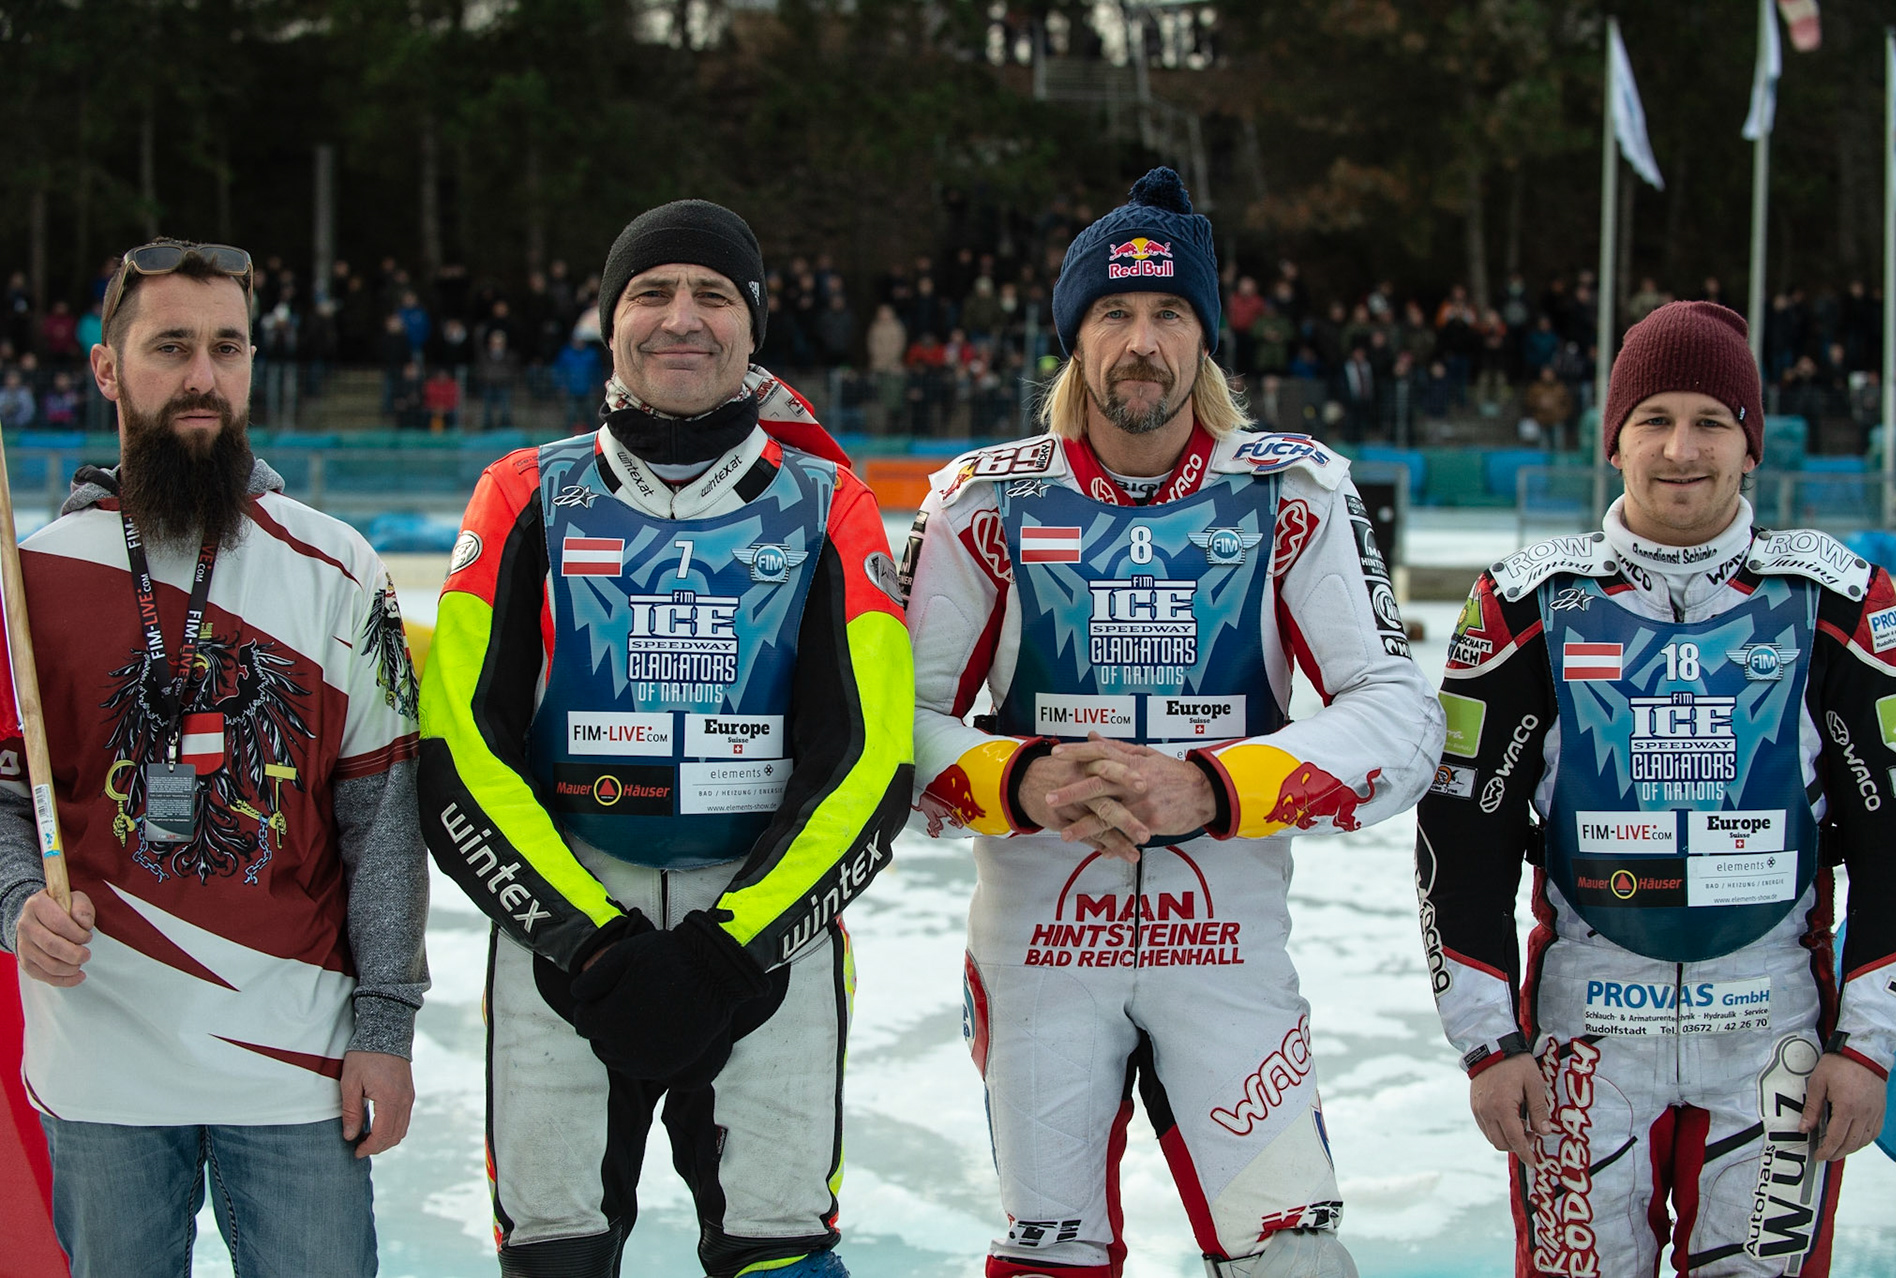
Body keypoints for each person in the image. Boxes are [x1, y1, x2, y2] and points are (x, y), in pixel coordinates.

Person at [901, 168, 1443, 1278]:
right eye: (1113, 314)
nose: (1140, 342)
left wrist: (1214, 786)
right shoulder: (981, 500)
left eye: (1167, 314)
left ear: (1204, 340)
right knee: (1048, 1258)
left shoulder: (1294, 492)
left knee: (1297, 1259)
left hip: (1229, 944)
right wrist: (1025, 779)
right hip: (1039, 942)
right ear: (1073, 339)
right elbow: (882, 726)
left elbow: (1402, 719)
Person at [418, 200, 914, 1278]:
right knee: (555, 1251)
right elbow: (459, 750)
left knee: (779, 1248)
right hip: (563, 933)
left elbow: (871, 763)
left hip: (763, 934)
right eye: (651, 292)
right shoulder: (524, 494)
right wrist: (587, 943)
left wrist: (734, 952)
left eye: (713, 295)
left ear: (754, 328)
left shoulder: (830, 503)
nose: (680, 318)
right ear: (609, 320)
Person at [1416, 300, 1896, 1277]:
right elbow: (1461, 837)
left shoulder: (1839, 603)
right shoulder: (1525, 605)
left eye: (1711, 420)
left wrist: (1868, 1049)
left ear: (1751, 445)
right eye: (1652, 419)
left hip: (1776, 1038)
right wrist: (1488, 1047)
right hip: (1583, 1037)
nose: (1680, 448)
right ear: (1613, 442)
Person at [0, 238, 428, 1276]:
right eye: (171, 346)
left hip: (297, 1067)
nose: (203, 376)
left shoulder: (336, 566)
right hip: (99, 1067)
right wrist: (17, 896)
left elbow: (385, 817)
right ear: (107, 370)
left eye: (227, 347)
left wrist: (386, 1024)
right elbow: (4, 800)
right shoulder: (34, 581)